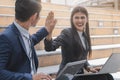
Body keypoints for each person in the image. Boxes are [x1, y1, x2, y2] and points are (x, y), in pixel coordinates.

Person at [0, 0, 56, 80]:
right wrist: (31, 77)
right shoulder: (6, 38)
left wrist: (46, 29)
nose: (40, 17)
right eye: (39, 14)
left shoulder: (21, 31)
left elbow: (29, 42)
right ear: (33, 17)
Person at [44, 6, 101, 75]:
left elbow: (83, 58)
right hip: (67, 75)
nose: (79, 20)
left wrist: (89, 67)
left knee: (107, 76)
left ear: (87, 20)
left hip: (79, 75)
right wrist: (49, 33)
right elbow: (49, 47)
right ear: (72, 19)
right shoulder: (67, 33)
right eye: (76, 17)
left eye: (82, 17)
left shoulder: (85, 36)